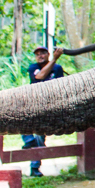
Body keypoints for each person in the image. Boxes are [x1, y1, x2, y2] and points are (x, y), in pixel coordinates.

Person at [23, 46, 64, 177]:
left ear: (48, 54)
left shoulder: (57, 68)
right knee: (25, 123)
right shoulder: (33, 67)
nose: (40, 56)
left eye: (43, 53)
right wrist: (54, 59)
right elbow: (40, 76)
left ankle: (34, 165)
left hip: (51, 106)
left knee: (39, 136)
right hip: (34, 105)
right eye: (37, 54)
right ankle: (29, 144)